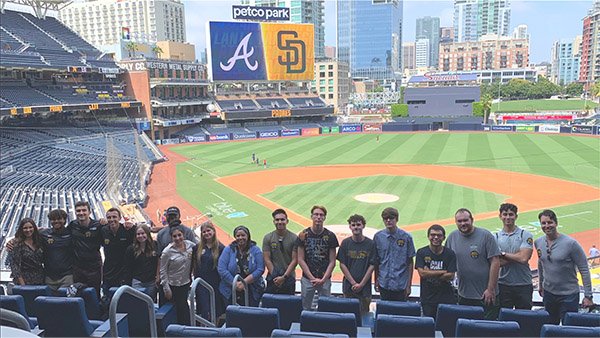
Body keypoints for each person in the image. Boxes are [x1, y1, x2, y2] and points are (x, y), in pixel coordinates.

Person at [534, 209, 593, 324]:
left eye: (550, 222)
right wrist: (541, 284)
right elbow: (541, 263)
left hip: (569, 295)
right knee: (550, 326)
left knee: (569, 328)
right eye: (543, 223)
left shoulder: (571, 244)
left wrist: (588, 295)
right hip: (549, 294)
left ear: (556, 223)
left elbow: (584, 269)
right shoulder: (538, 242)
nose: (547, 226)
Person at [446, 208, 501, 320]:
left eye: (466, 220)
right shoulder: (452, 237)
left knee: (486, 329)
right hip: (463, 294)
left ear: (472, 220)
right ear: (455, 222)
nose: (463, 223)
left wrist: (490, 289)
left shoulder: (485, 235)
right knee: (466, 328)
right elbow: (446, 259)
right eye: (459, 221)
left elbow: (495, 262)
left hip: (485, 295)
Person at [297, 205, 339, 310]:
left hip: (325, 279)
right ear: (311, 216)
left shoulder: (330, 236)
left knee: (325, 308)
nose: (318, 217)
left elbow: (332, 261)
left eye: (321, 215)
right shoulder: (303, 234)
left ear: (324, 218)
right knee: (305, 307)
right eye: (316, 214)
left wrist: (323, 279)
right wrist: (311, 278)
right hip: (307, 279)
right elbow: (300, 259)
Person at [495, 203, 534, 310]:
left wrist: (503, 254)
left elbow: (524, 258)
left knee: (524, 318)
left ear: (516, 216)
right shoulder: (495, 237)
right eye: (505, 214)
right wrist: (518, 255)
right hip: (503, 284)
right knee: (505, 318)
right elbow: (497, 263)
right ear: (500, 216)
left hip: (523, 284)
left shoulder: (525, 235)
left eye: (511, 214)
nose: (508, 217)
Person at [337, 214, 377, 315]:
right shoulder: (346, 243)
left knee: (364, 314)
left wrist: (361, 284)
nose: (356, 227)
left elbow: (372, 266)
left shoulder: (371, 244)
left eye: (358, 224)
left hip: (365, 288)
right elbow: (342, 264)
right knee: (349, 313)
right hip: (349, 286)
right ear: (350, 227)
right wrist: (354, 283)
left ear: (363, 226)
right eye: (353, 225)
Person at [415, 224, 457, 319]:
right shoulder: (421, 252)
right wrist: (443, 271)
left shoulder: (450, 253)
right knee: (428, 326)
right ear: (428, 236)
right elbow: (422, 274)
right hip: (427, 299)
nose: (436, 237)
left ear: (444, 237)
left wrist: (429, 273)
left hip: (446, 298)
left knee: (445, 326)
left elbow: (450, 276)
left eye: (439, 235)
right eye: (433, 235)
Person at [373, 207, 415, 301]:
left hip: (400, 284)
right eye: (385, 218)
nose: (388, 221)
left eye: (391, 218)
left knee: (399, 312)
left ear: (396, 219)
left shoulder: (406, 237)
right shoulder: (378, 237)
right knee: (384, 311)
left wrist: (409, 285)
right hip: (384, 283)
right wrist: (376, 280)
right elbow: (376, 261)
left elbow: (410, 262)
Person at [218, 226, 265, 307]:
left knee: (250, 314)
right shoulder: (229, 249)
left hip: (252, 289)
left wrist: (244, 282)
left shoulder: (255, 250)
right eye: (238, 236)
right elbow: (221, 269)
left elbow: (260, 269)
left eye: (243, 235)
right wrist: (235, 283)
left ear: (248, 236)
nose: (240, 238)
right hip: (230, 289)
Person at [68, 201, 104, 298]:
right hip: (78, 268)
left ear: (89, 212)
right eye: (78, 211)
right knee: (79, 294)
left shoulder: (98, 225)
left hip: (94, 268)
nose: (81, 213)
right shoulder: (72, 225)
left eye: (84, 210)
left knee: (94, 294)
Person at [160, 227, 194, 325]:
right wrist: (166, 289)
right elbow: (163, 271)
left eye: (179, 235)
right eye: (175, 236)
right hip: (172, 286)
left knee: (183, 310)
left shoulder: (190, 246)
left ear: (183, 235)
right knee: (172, 312)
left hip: (184, 284)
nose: (178, 238)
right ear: (171, 238)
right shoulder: (167, 252)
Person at [192, 222, 225, 322]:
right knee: (204, 308)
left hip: (215, 282)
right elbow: (194, 264)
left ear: (214, 231)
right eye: (204, 231)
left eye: (208, 230)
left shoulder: (221, 248)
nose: (206, 233)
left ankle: (215, 327)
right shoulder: (197, 247)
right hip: (201, 282)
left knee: (216, 307)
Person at [262, 209, 298, 295]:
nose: (280, 222)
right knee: (271, 305)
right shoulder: (268, 237)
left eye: (282, 219)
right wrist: (275, 276)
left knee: (288, 306)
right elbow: (267, 259)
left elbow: (295, 260)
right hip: (273, 277)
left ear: (287, 221)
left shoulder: (294, 238)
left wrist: (284, 277)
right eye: (277, 220)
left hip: (289, 277)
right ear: (273, 221)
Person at [101, 207, 135, 296]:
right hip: (108, 273)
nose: (111, 220)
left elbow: (142, 234)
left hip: (124, 274)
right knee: (107, 300)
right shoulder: (103, 230)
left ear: (120, 218)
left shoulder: (128, 230)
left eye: (114, 217)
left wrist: (134, 226)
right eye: (109, 217)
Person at [40, 209, 74, 290]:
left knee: (66, 301)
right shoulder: (44, 234)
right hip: (49, 277)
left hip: (67, 276)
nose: (56, 221)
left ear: (65, 220)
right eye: (53, 219)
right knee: (50, 301)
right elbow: (27, 234)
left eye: (59, 219)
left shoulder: (72, 233)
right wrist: (13, 240)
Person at [124, 224, 159, 301]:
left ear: (147, 234)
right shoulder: (131, 249)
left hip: (151, 282)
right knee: (138, 303)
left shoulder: (155, 245)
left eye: (143, 233)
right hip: (137, 281)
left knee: (150, 303)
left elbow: (159, 262)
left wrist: (158, 277)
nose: (140, 236)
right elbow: (128, 267)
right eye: (138, 234)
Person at [10, 218, 45, 285]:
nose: (28, 230)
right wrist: (22, 284)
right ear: (21, 229)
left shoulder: (39, 241)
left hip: (40, 278)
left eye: (30, 227)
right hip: (24, 279)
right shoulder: (16, 244)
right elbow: (15, 266)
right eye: (25, 228)